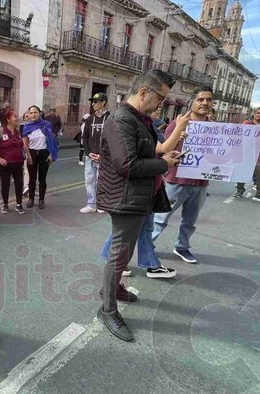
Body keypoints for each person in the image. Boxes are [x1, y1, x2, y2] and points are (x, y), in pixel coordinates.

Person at [97, 70, 180, 341]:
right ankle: (108, 309)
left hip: (140, 197)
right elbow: (126, 165)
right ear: (144, 92)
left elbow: (150, 151)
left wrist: (165, 154)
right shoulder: (121, 119)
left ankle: (115, 289)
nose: (161, 104)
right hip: (125, 199)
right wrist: (164, 163)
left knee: (126, 250)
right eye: (160, 98)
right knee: (119, 255)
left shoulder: (140, 119)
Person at [151, 87, 215, 266]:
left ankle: (182, 246)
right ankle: (147, 245)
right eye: (200, 99)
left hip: (201, 182)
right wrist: (179, 135)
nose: (204, 103)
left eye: (208, 100)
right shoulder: (178, 123)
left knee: (190, 219)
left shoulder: (215, 127)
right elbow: (164, 149)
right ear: (192, 102)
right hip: (176, 180)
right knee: (160, 218)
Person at [0, 109, 29, 214]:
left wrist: (28, 156)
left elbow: (22, 146)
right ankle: (5, 205)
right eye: (15, 116)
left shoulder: (17, 132)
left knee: (19, 184)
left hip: (18, 163)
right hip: (5, 164)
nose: (17, 118)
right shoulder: (0, 131)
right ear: (8, 119)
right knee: (5, 184)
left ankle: (19, 204)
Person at [22, 105, 59, 209]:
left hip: (44, 153)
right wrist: (28, 156)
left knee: (42, 179)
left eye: (35, 112)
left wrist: (51, 154)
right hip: (32, 153)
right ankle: (31, 199)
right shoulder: (26, 126)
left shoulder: (46, 124)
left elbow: (51, 139)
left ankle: (41, 200)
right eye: (31, 113)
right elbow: (25, 144)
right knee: (32, 179)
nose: (33, 115)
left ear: (40, 113)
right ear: (28, 114)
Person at [80, 93, 110, 214]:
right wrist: (88, 153)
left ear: (103, 103)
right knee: (89, 180)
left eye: (96, 101)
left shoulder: (110, 118)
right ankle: (91, 204)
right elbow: (85, 137)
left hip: (104, 157)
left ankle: (101, 204)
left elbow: (112, 139)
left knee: (101, 181)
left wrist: (103, 154)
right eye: (92, 102)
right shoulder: (90, 119)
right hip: (90, 156)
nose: (93, 104)